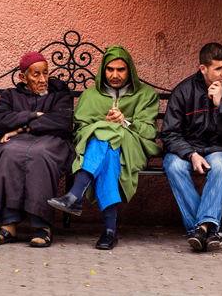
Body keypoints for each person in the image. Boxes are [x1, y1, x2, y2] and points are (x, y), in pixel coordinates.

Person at [47, 46, 160, 250]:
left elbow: (149, 131)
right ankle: (109, 231)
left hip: (133, 148)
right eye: (110, 69)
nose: (115, 75)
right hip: (100, 152)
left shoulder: (146, 94)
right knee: (107, 152)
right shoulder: (90, 95)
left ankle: (75, 194)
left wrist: (123, 122)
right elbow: (80, 131)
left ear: (130, 70)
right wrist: (104, 125)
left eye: (121, 69)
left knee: (107, 132)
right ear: (103, 70)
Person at [160, 43, 222, 252]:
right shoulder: (184, 91)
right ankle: (209, 228)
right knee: (173, 165)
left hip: (218, 149)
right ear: (203, 68)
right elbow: (169, 133)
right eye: (218, 68)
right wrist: (191, 154)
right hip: (187, 150)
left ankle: (201, 229)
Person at [0, 52, 75, 248]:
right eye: (36, 75)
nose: (43, 80)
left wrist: (22, 127)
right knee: (7, 153)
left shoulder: (58, 94)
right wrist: (34, 114)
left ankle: (43, 226)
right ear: (22, 77)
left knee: (39, 155)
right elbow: (0, 121)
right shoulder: (10, 95)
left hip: (51, 142)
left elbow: (63, 122)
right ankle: (8, 226)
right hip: (17, 143)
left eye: (45, 73)